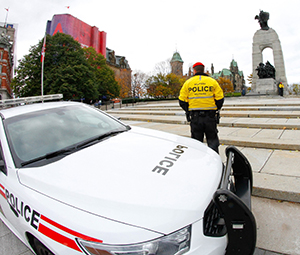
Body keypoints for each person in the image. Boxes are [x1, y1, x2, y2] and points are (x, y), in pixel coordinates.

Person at [179, 62, 224, 153]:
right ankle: (215, 162)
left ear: (194, 70)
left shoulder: (188, 83)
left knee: (196, 143)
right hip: (210, 117)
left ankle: (198, 162)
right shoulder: (212, 81)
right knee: (212, 141)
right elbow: (220, 99)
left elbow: (182, 101)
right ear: (203, 70)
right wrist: (215, 108)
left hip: (195, 117)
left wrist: (189, 110)